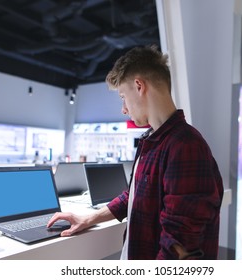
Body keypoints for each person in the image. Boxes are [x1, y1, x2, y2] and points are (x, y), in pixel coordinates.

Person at [47, 45, 224, 260]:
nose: (123, 109)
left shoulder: (186, 147)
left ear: (139, 86)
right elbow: (134, 196)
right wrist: (89, 219)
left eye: (123, 96)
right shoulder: (152, 140)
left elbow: (180, 248)